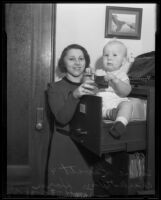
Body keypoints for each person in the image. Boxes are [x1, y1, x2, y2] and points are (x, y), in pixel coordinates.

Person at [47, 44, 98, 197]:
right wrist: (75, 95)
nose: (77, 62)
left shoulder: (94, 87)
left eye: (81, 58)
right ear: (64, 63)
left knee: (84, 190)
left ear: (86, 62)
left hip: (86, 148)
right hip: (65, 147)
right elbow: (62, 119)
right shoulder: (55, 88)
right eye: (72, 59)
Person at [96, 39, 133, 139]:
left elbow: (126, 92)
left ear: (123, 60)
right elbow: (90, 87)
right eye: (106, 55)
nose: (109, 58)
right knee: (91, 105)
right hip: (101, 104)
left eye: (114, 55)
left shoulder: (122, 75)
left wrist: (116, 80)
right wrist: (88, 76)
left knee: (127, 105)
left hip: (117, 104)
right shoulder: (99, 72)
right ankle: (107, 113)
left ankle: (120, 124)